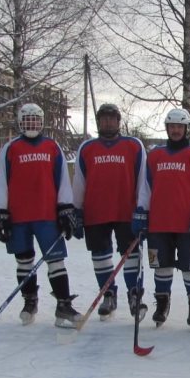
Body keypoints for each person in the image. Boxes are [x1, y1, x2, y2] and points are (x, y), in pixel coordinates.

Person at [0, 103, 81, 328]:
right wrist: (0, 211)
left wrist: (65, 207)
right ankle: (29, 300)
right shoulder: (10, 149)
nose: (31, 124)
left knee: (55, 261)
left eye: (35, 119)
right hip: (19, 216)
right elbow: (0, 182)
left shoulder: (52, 147)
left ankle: (63, 304)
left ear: (42, 122)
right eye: (27, 119)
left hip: (46, 215)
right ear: (20, 122)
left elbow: (62, 179)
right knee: (24, 262)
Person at [132, 108, 190, 330]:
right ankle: (162, 304)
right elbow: (146, 187)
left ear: (187, 128)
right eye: (172, 126)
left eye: (180, 126)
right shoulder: (155, 154)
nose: (176, 130)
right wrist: (142, 211)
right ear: (167, 128)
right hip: (159, 223)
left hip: (189, 224)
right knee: (161, 267)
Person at [72, 103, 148, 321]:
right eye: (103, 119)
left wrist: (143, 208)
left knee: (131, 255)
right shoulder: (87, 148)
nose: (107, 122)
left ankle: (135, 294)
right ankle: (109, 295)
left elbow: (143, 179)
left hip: (127, 212)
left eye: (111, 118)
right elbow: (79, 181)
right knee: (100, 257)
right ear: (98, 122)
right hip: (95, 212)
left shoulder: (134, 145)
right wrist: (76, 209)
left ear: (118, 121)